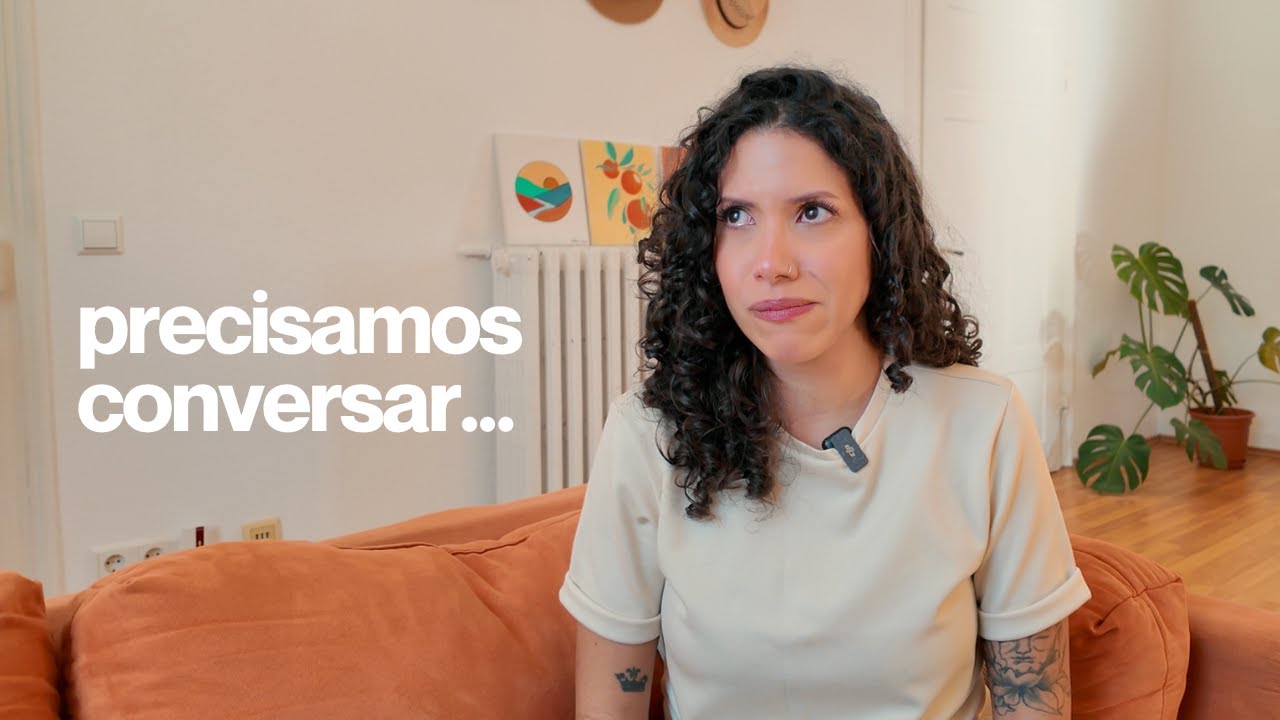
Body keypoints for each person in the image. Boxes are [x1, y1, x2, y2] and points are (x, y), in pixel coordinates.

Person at [558, 65, 1091, 720]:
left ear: (879, 233)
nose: (772, 263)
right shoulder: (648, 434)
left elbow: (1034, 703)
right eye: (736, 216)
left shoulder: (984, 422)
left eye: (812, 212)